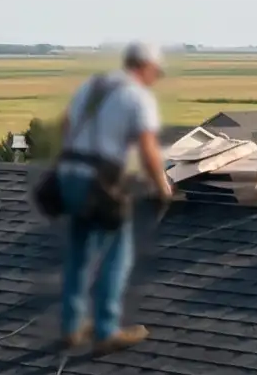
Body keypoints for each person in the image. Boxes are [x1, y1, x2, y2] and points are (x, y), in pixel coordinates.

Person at [52, 41, 173, 353]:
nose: (155, 79)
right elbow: (148, 147)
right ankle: (106, 330)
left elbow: (66, 124)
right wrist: (162, 186)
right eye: (155, 72)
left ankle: (71, 327)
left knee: (79, 252)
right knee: (118, 253)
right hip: (102, 182)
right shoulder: (138, 96)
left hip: (70, 175)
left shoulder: (93, 86)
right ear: (145, 67)